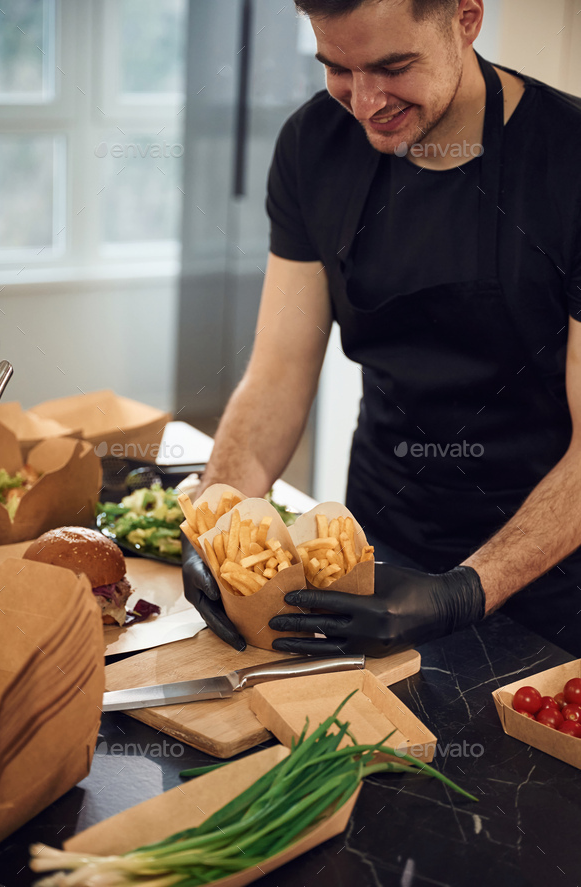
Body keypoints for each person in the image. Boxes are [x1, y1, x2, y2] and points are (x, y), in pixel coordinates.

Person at [182, 0, 581, 658]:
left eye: (392, 67)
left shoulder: (567, 162)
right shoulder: (313, 147)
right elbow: (277, 374)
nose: (365, 102)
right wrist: (218, 527)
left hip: (547, 586)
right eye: (338, 69)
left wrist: (464, 590)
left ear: (467, 18)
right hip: (369, 558)